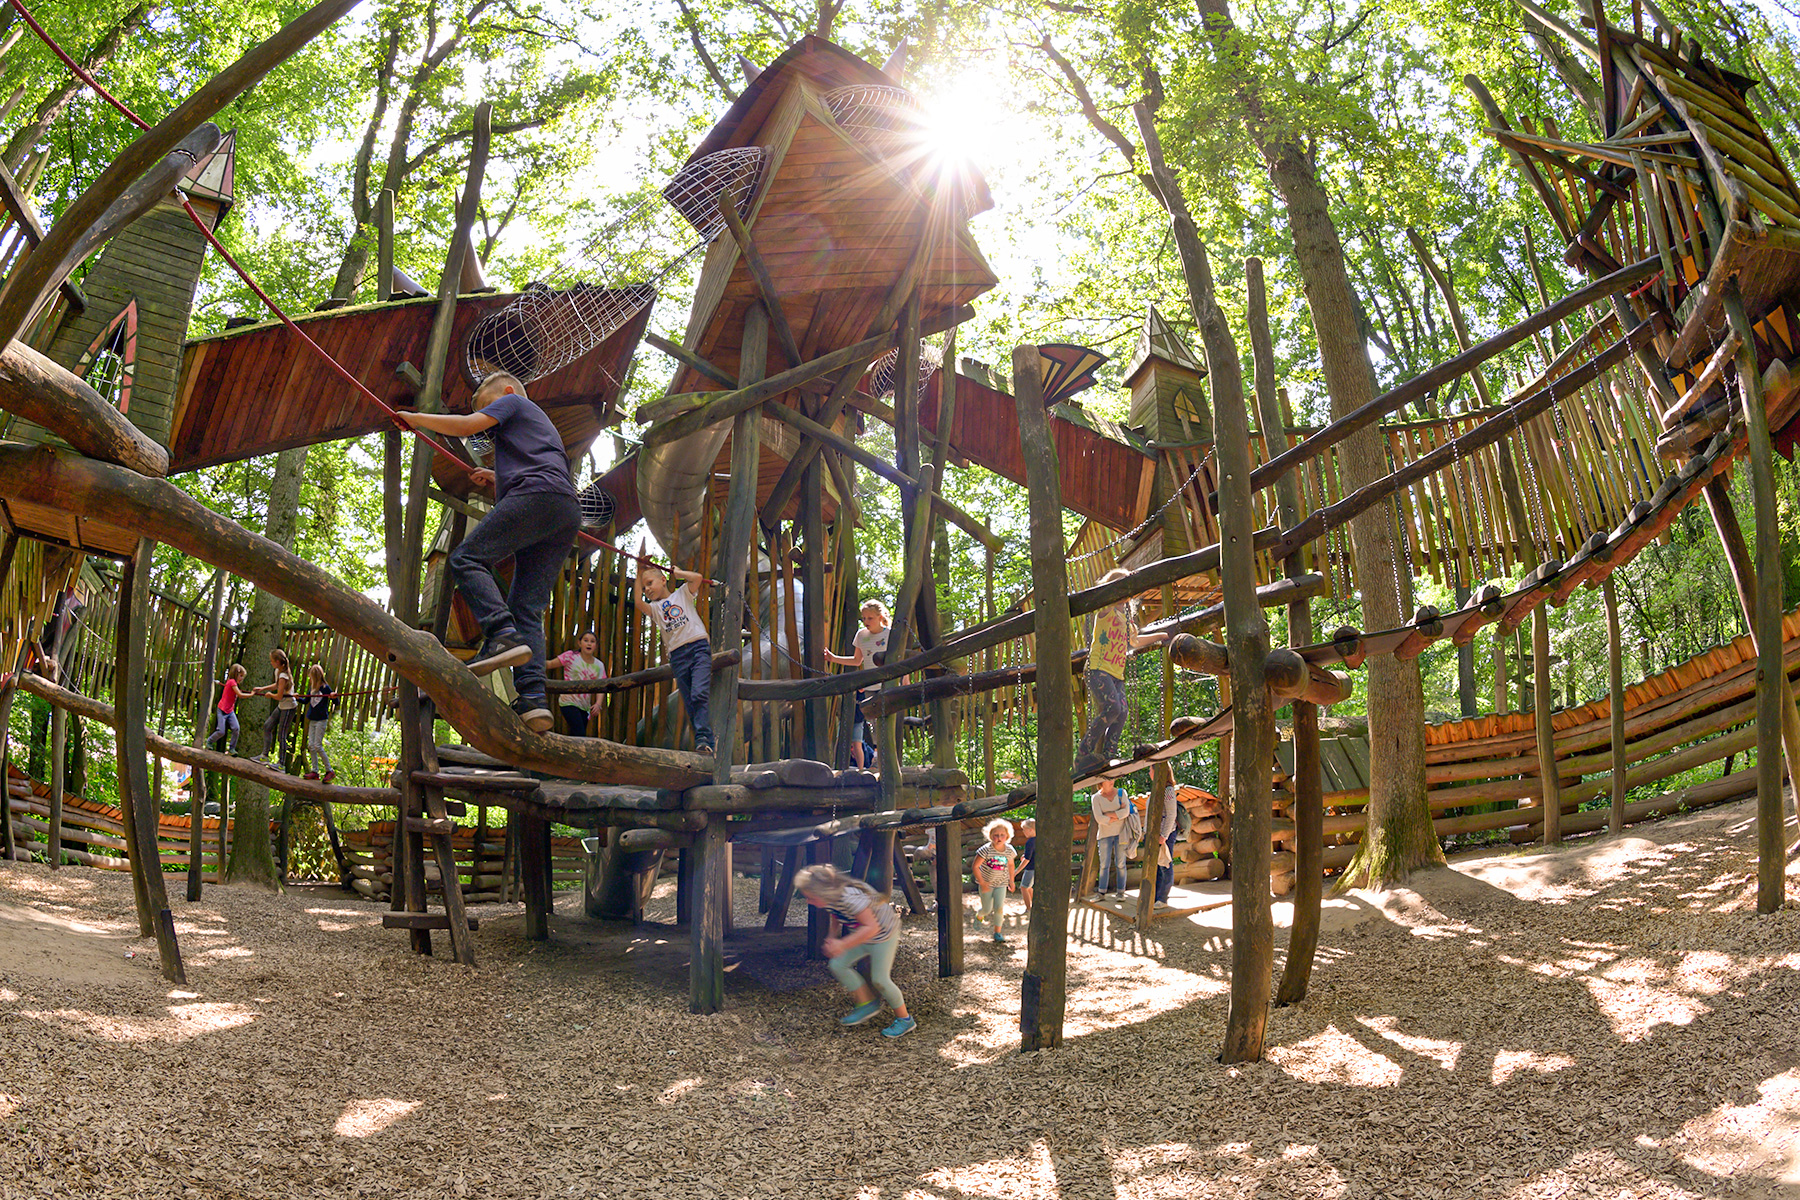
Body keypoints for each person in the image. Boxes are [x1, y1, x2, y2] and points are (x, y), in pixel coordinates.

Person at [396, 370, 581, 735]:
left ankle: (500, 633)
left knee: (467, 558)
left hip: (537, 495)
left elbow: (467, 426)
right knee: (527, 605)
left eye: (488, 407)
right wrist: (497, 477)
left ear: (508, 393)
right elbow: (542, 465)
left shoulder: (515, 400)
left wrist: (415, 419)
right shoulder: (540, 429)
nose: (488, 422)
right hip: (563, 509)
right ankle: (532, 700)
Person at [796, 863, 915, 1039]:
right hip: (864, 935)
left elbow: (872, 928)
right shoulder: (830, 899)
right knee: (837, 964)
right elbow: (836, 916)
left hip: (883, 936)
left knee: (880, 980)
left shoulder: (850, 899)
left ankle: (905, 1019)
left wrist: (842, 945)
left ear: (823, 893)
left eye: (811, 898)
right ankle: (867, 1003)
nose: (808, 901)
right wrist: (832, 936)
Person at [1073, 568, 1165, 777]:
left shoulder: (1127, 620)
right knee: (1112, 708)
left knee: (1121, 712)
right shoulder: (1105, 611)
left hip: (1116, 674)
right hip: (1098, 670)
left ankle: (1108, 755)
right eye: (1121, 589)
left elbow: (1135, 641)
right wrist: (1117, 582)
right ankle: (1082, 754)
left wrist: (1160, 635)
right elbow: (1105, 595)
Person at [636, 563, 714, 756]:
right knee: (689, 701)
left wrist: (678, 573)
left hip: (698, 648)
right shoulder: (654, 609)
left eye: (649, 583)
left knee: (699, 694)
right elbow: (638, 602)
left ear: (663, 580)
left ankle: (705, 737)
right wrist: (639, 573)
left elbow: (696, 577)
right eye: (643, 587)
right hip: (678, 657)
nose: (646, 589)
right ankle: (703, 743)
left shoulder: (682, 594)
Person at [825, 600, 890, 769]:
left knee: (884, 725)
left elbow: (898, 660)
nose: (866, 622)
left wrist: (904, 681)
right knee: (871, 723)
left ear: (880, 617)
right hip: (868, 687)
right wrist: (834, 658)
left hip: (886, 684)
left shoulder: (890, 634)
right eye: (864, 618)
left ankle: (884, 763)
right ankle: (873, 760)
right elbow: (856, 660)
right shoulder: (861, 635)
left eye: (870, 618)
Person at [550, 630, 608, 736]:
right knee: (580, 734)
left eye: (592, 641)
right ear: (579, 643)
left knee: (576, 736)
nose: (589, 643)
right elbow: (550, 664)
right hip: (568, 702)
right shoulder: (570, 656)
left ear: (596, 645)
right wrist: (533, 664)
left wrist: (598, 704)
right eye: (586, 640)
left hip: (585, 706)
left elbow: (602, 686)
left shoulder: (599, 665)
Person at [251, 649, 297, 772]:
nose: (270, 663)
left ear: (277, 661)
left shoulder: (284, 675)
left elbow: (279, 696)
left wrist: (270, 695)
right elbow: (277, 685)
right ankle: (264, 756)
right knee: (267, 726)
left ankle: (281, 764)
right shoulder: (279, 671)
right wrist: (262, 688)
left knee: (281, 734)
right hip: (282, 706)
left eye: (272, 661)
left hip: (288, 708)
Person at [971, 818, 1017, 943]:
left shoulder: (1009, 850)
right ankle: (980, 915)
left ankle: (997, 933)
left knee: (999, 908)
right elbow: (975, 866)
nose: (999, 838)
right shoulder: (985, 850)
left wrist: (1011, 881)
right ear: (990, 836)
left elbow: (1011, 865)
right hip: (986, 884)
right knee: (987, 909)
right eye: (996, 835)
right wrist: (982, 882)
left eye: (1002, 835)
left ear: (1007, 836)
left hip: (1001, 884)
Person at [1085, 779, 1130, 899]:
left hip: (1121, 833)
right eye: (1108, 779)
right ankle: (1101, 892)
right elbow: (1099, 818)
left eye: (1112, 778)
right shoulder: (1096, 798)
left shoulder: (1121, 793)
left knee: (1121, 863)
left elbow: (1126, 812)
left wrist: (1109, 815)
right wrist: (1117, 814)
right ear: (1101, 782)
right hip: (1104, 835)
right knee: (1104, 864)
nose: (1112, 781)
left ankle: (1121, 892)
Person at [297, 663, 336, 782]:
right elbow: (305, 701)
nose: (310, 678)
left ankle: (329, 770)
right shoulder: (312, 689)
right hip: (312, 720)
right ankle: (315, 771)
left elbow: (336, 702)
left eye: (311, 676)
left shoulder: (325, 688)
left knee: (317, 745)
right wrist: (297, 697)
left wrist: (334, 697)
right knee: (310, 746)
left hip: (321, 720)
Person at [1154, 786, 1190, 907]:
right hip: (1157, 834)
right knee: (1159, 865)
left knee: (1165, 864)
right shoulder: (1157, 789)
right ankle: (1156, 897)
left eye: (1150, 770)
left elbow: (1171, 814)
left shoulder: (1168, 791)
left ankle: (1163, 899)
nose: (1149, 772)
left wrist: (1164, 835)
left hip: (1166, 834)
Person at [205, 663, 247, 754]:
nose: (242, 678)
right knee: (221, 731)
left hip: (230, 711)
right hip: (222, 710)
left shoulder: (233, 683)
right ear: (236, 674)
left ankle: (232, 748)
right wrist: (252, 694)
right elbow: (240, 695)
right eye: (241, 676)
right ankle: (209, 741)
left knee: (236, 728)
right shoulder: (231, 682)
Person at [1017, 818, 1037, 910]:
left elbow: (1027, 860)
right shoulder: (1037, 840)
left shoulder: (1029, 842)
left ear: (1030, 830)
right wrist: (1025, 856)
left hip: (1030, 868)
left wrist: (1016, 871)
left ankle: (1028, 908)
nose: (1023, 832)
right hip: (1035, 867)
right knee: (1028, 887)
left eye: (1024, 829)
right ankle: (1034, 904)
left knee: (1023, 887)